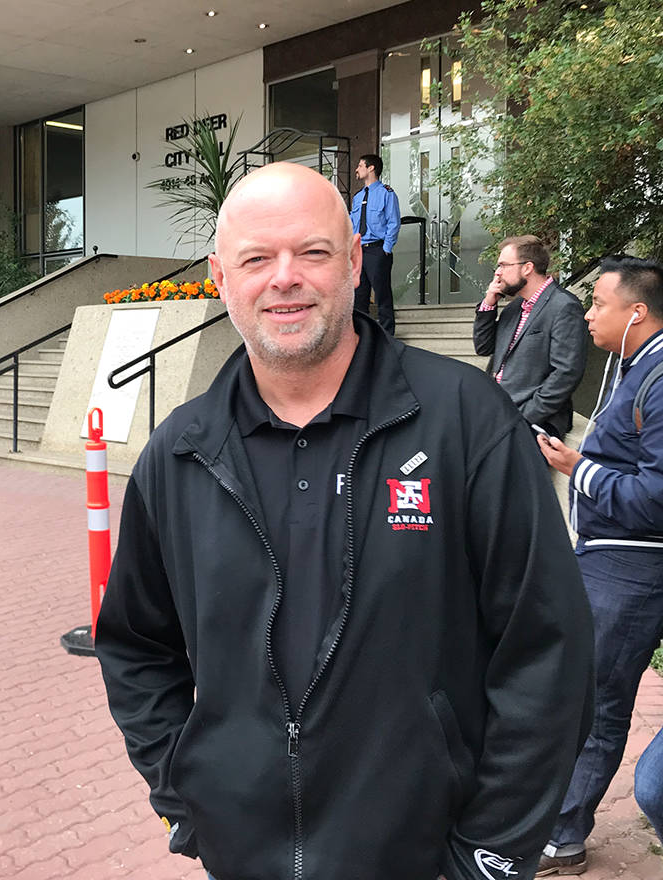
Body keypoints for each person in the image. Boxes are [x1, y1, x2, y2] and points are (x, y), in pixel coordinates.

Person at [95, 162, 593, 880]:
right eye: (257, 259)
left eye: (314, 252)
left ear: (356, 262)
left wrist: (488, 853)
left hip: (428, 858)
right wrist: (186, 796)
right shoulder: (179, 453)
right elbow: (137, 646)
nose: (284, 277)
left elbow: (549, 652)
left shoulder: (465, 424)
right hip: (244, 856)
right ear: (220, 277)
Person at [535, 256, 663, 875]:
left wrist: (576, 469)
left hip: (634, 567)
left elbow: (657, 495)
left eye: (598, 304)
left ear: (635, 311)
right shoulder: (635, 368)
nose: (587, 314)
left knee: (598, 702)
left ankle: (562, 834)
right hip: (611, 558)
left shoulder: (659, 376)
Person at [473, 235, 588, 438]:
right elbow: (483, 347)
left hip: (537, 418)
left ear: (527, 268)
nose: (497, 273)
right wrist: (489, 303)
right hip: (498, 407)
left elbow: (566, 373)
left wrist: (524, 416)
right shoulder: (514, 307)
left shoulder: (564, 306)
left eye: (503, 265)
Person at [349, 153, 400, 334]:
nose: (357, 169)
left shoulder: (386, 193)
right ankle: (361, 334)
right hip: (359, 252)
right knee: (359, 295)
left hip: (377, 250)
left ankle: (387, 334)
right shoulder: (357, 197)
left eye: (360, 165)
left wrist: (386, 248)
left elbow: (393, 222)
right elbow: (352, 224)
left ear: (371, 168)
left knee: (382, 293)